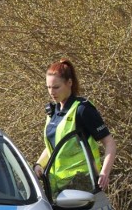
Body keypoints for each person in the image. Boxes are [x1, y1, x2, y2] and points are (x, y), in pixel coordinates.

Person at [33, 58, 116, 193]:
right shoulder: (52, 112)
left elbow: (110, 143)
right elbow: (54, 147)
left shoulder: (83, 109)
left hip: (83, 182)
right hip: (57, 185)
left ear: (69, 83)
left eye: (56, 87)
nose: (51, 92)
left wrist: (104, 173)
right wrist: (39, 164)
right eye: (48, 87)